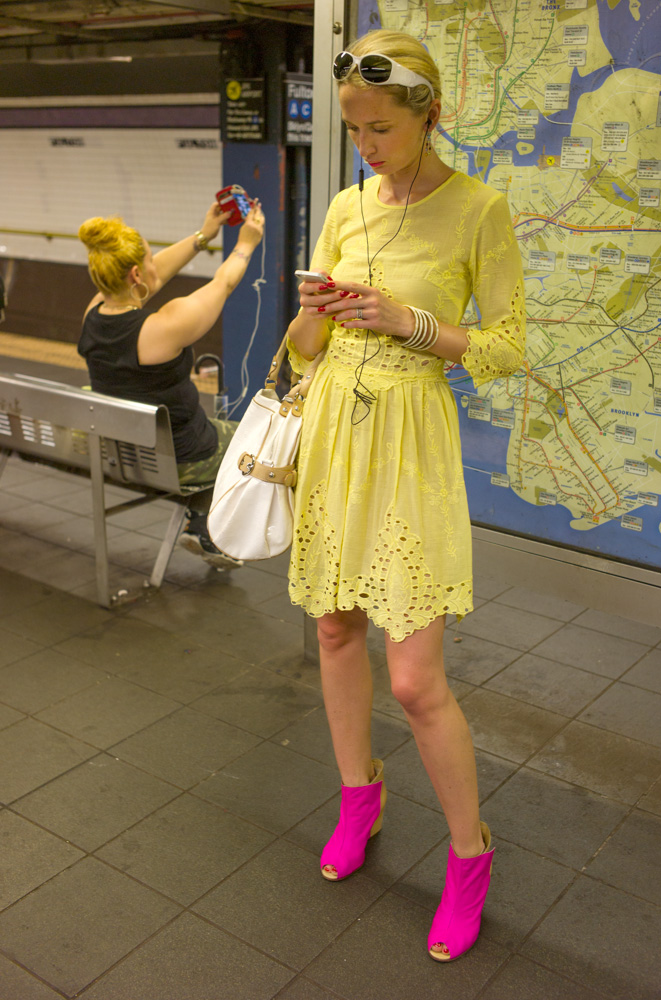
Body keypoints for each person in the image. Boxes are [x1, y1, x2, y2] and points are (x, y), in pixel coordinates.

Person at [286, 29, 525, 962]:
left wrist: (413, 323)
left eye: (380, 127)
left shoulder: (479, 209)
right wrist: (317, 311)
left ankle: (470, 858)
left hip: (412, 442)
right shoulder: (346, 203)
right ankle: (359, 795)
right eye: (353, 129)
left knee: (419, 679)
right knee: (335, 630)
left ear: (433, 114)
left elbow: (507, 348)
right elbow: (305, 349)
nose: (366, 147)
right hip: (339, 428)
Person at [78, 198, 264, 569]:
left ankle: (201, 523)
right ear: (134, 274)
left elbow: (154, 276)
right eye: (149, 257)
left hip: (119, 449)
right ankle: (210, 525)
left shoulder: (92, 314)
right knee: (255, 439)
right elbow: (224, 282)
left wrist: (203, 236)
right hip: (179, 458)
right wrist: (246, 243)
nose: (154, 263)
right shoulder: (163, 327)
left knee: (210, 432)